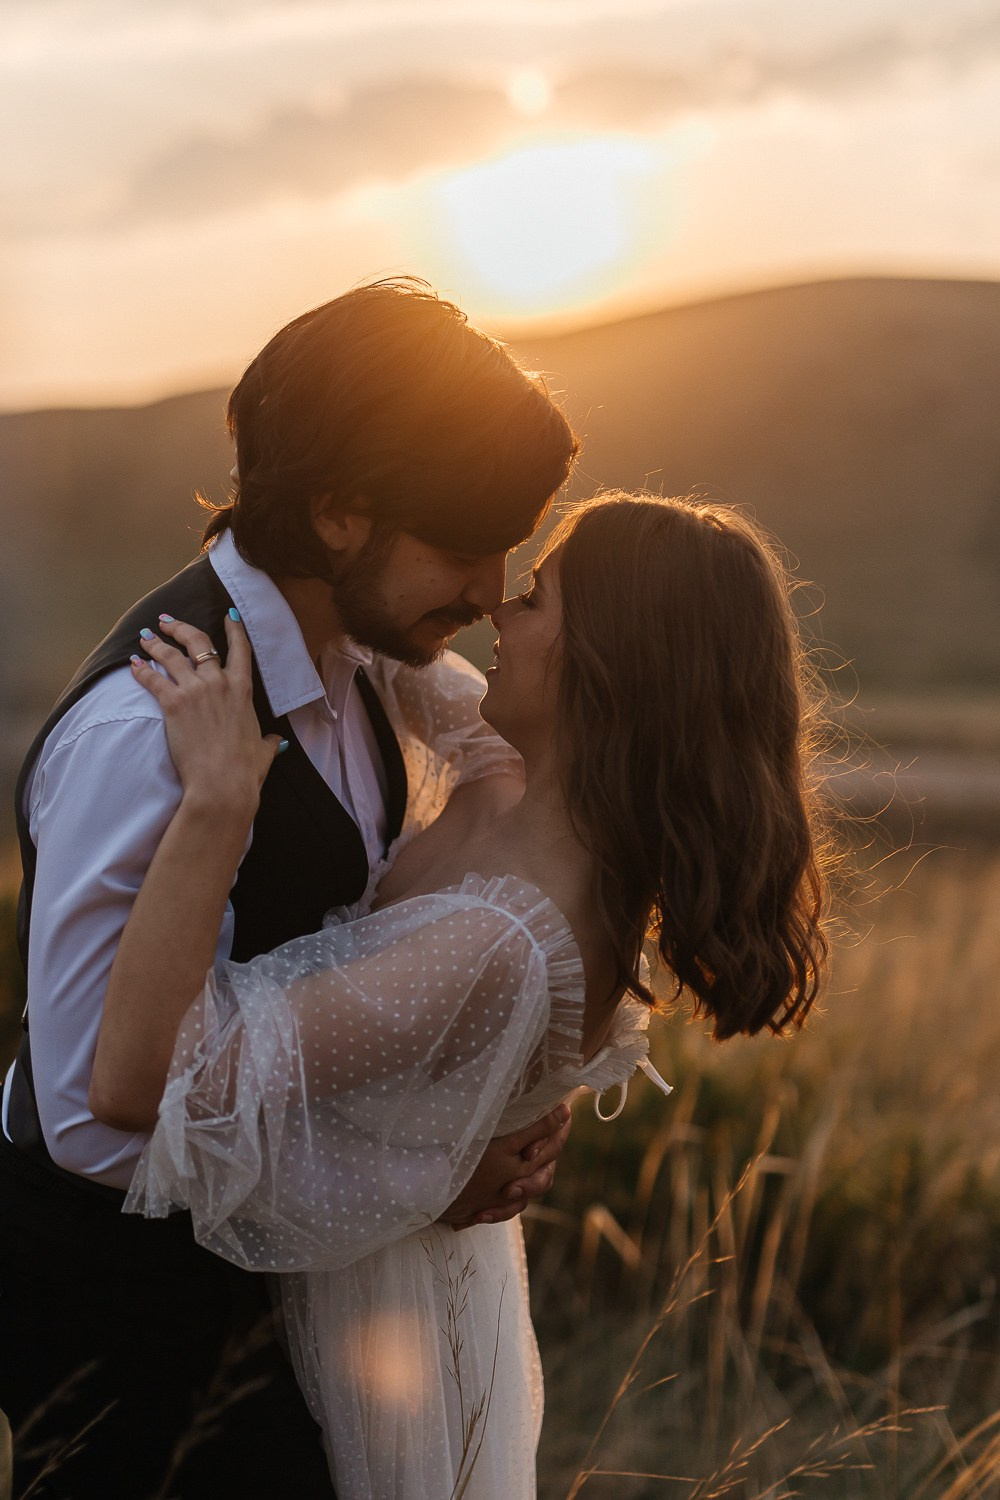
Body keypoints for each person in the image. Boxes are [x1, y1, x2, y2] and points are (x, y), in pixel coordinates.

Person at [90, 492, 834, 1498]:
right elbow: (405, 656)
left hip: (373, 1338)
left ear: (602, 662)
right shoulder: (513, 789)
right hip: (399, 1295)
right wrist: (292, 510)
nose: (496, 618)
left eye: (533, 599)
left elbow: (142, 1082)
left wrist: (218, 806)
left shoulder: (496, 940)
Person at [0, 278, 579, 1498]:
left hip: (292, 1303)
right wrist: (421, 1177)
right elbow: (95, 1117)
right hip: (126, 1329)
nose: (492, 587)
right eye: (465, 543)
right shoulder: (140, 734)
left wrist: (493, 1103)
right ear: (337, 515)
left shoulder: (371, 666)